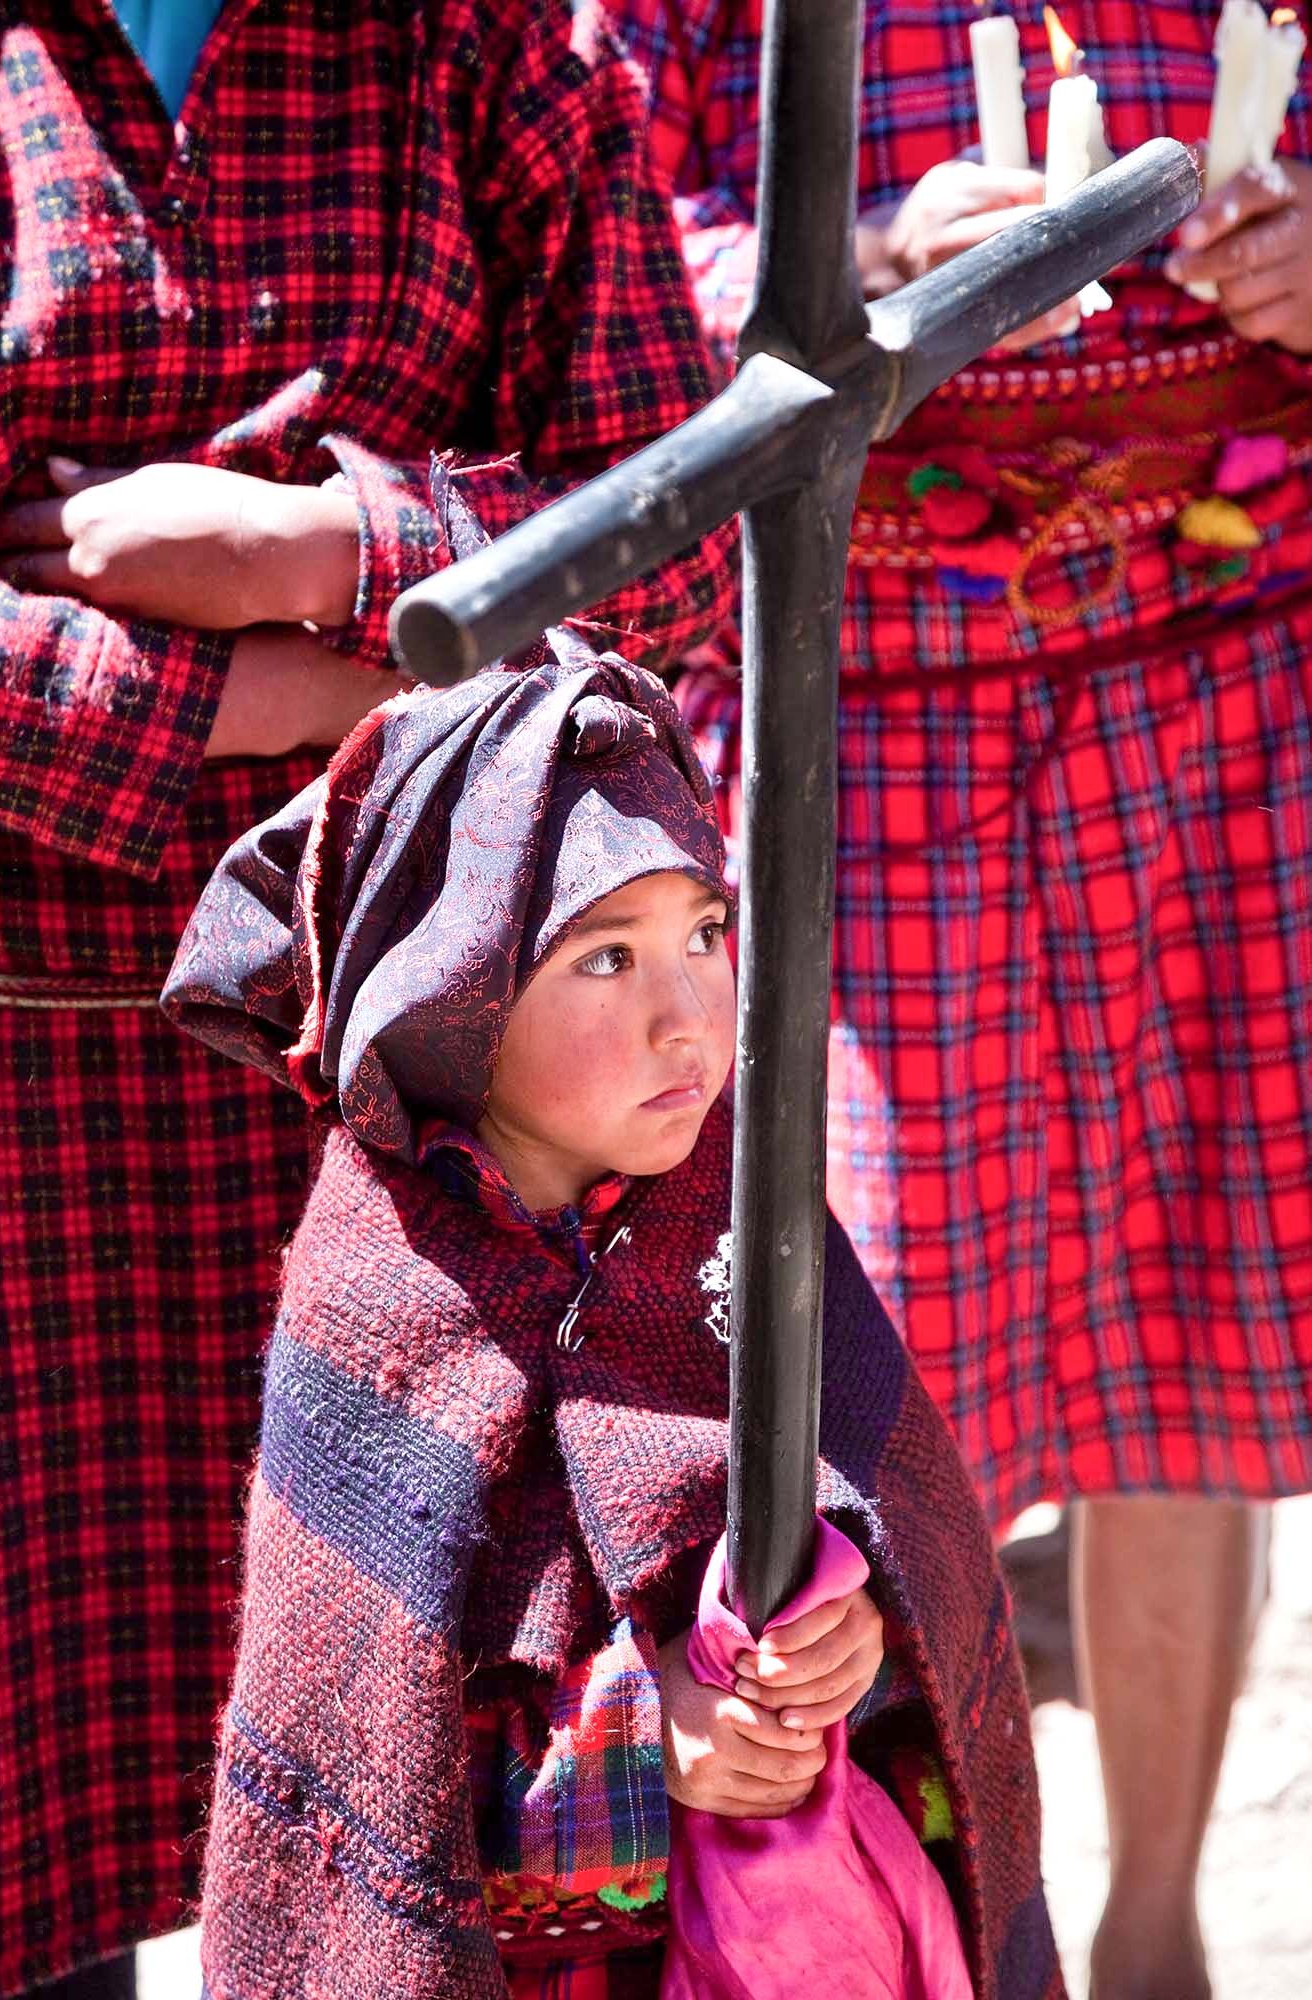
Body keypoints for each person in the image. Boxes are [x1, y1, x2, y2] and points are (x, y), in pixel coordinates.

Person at [0, 7, 737, 1996]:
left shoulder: (481, 43)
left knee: (425, 1859)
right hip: (11, 1133)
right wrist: (311, 693)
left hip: (416, 1144)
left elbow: (692, 532)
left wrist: (333, 545)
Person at [605, 4, 1312, 1995]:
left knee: (1179, 1356)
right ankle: (940, 1948)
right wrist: (859, 278)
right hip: (872, 717)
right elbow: (601, 251)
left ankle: (1158, 1933)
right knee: (888, 1401)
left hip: (1227, 681)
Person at [160, 631, 1059, 2000]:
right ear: (446, 990)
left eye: (703, 933)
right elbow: (366, 1762)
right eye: (601, 959)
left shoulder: (748, 1214)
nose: (686, 1017)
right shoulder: (382, 1297)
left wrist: (858, 1639)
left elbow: (910, 1538)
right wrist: (644, 1742)